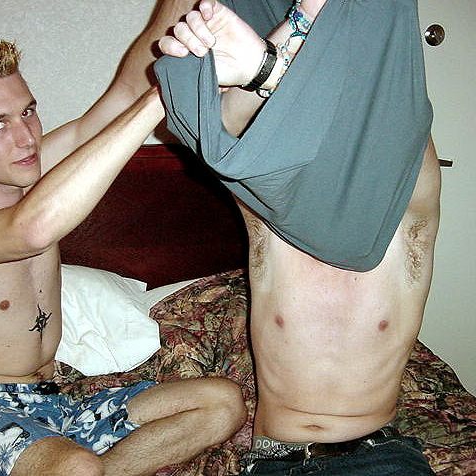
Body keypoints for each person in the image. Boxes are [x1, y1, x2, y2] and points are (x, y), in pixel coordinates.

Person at [0, 3, 247, 475]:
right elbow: (30, 229)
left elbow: (120, 96)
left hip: (54, 400)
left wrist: (179, 18)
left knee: (222, 402)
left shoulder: (30, 171)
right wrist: (167, 95)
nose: (26, 138)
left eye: (28, 112)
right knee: (76, 468)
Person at [157, 0, 440, 474]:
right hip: (271, 462)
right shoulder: (269, 205)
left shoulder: (405, 204)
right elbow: (225, 133)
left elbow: (392, 124)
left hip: (377, 458)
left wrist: (275, 61)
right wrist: (273, 53)